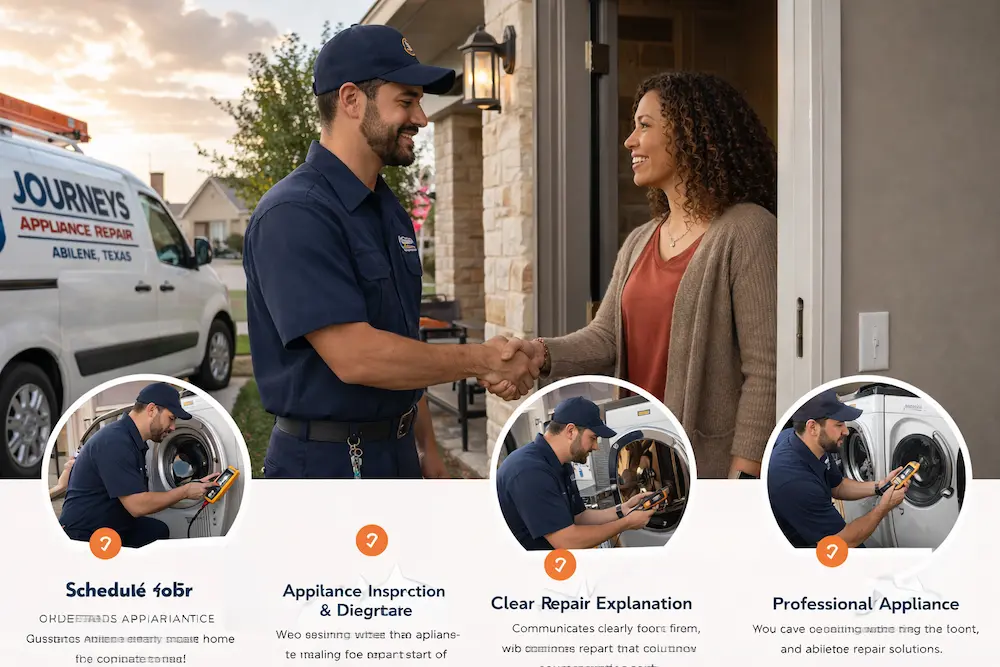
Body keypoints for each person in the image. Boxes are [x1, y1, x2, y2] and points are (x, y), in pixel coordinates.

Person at [242, 24, 538, 480]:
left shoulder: (389, 212)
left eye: (420, 102)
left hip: (397, 453)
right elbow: (357, 355)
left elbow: (400, 342)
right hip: (326, 469)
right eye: (406, 101)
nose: (421, 118)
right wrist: (481, 359)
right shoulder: (294, 213)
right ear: (351, 100)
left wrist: (427, 448)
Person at [488, 72, 778, 480]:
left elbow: (766, 370)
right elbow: (606, 337)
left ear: (692, 132)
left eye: (645, 126)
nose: (630, 140)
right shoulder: (642, 239)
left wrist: (744, 476)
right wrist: (540, 353)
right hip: (643, 457)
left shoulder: (749, 230)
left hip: (709, 467)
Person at [59, 383, 219, 548]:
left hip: (114, 524)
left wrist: (194, 485)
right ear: (151, 410)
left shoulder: (133, 440)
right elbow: (137, 506)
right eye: (171, 418)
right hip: (85, 534)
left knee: (158, 531)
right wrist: (185, 491)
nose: (172, 427)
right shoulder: (115, 442)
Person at [497, 397, 660, 550]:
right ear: (571, 431)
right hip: (529, 569)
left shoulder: (561, 464)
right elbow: (567, 540)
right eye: (593, 437)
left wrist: (623, 510)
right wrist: (626, 523)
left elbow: (579, 517)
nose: (596, 446)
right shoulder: (530, 471)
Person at [767, 389, 909, 548]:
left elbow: (838, 486)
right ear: (812, 427)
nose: (846, 431)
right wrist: (883, 507)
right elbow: (843, 541)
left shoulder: (810, 445)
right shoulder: (794, 480)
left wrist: (880, 486)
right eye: (839, 424)